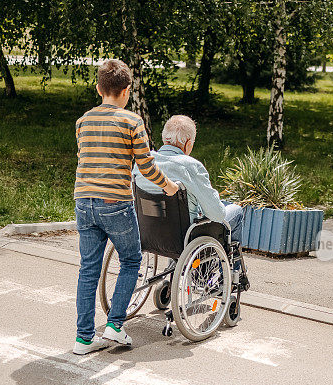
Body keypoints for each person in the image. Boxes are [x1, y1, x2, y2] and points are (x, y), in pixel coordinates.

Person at [72, 59, 179, 355]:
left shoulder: (83, 121)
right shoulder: (132, 121)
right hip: (115, 203)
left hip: (83, 200)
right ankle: (115, 326)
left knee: (88, 269)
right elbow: (146, 167)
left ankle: (83, 339)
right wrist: (169, 187)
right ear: (127, 90)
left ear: (98, 88)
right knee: (132, 260)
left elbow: (86, 158)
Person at [133, 115, 244, 244]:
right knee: (236, 211)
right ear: (188, 143)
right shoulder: (190, 166)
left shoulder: (144, 163)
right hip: (185, 237)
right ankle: (230, 264)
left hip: (147, 234)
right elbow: (217, 215)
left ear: (164, 138)